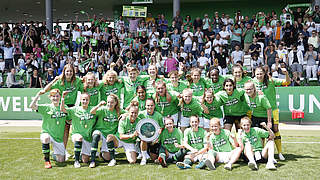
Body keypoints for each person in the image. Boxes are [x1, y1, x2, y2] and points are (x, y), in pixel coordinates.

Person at [252, 66, 290, 161]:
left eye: (261, 73)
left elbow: (287, 82)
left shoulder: (271, 81)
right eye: (257, 74)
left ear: (264, 74)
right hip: (259, 110)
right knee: (261, 132)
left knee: (275, 130)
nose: (259, 76)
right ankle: (263, 153)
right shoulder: (253, 82)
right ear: (254, 74)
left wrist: (286, 74)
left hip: (272, 109)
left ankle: (280, 152)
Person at [29, 89, 67, 169]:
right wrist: (38, 94)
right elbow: (32, 106)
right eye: (53, 96)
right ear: (50, 97)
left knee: (61, 160)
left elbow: (69, 118)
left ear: (60, 97)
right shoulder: (46, 107)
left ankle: (53, 154)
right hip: (47, 133)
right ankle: (47, 160)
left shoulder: (64, 107)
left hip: (58, 138)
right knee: (45, 138)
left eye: (57, 96)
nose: (55, 98)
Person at [61, 92, 96, 168]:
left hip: (87, 137)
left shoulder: (93, 109)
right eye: (83, 99)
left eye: (86, 100)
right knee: (79, 137)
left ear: (89, 100)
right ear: (80, 100)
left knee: (85, 160)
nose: (85, 101)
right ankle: (76, 161)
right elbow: (63, 109)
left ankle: (81, 153)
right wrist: (62, 98)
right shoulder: (75, 109)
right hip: (76, 135)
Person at [89, 94, 124, 168]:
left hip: (109, 137)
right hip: (101, 132)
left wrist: (125, 115)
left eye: (111, 102)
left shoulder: (118, 111)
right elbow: (91, 112)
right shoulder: (103, 109)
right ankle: (92, 161)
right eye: (108, 102)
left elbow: (129, 112)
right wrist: (99, 105)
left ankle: (103, 153)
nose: (109, 104)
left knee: (106, 158)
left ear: (115, 103)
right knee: (96, 134)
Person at [104, 101, 140, 166]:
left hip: (129, 142)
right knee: (110, 137)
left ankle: (135, 152)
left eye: (135, 113)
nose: (134, 114)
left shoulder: (139, 121)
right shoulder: (123, 120)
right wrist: (132, 135)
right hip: (119, 140)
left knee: (132, 161)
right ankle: (112, 159)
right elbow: (121, 136)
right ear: (128, 113)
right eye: (132, 112)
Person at [138, 98, 164, 165]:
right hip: (144, 138)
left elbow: (162, 127)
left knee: (153, 158)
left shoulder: (159, 116)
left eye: (151, 105)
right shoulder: (141, 114)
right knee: (143, 140)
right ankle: (144, 158)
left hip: (154, 139)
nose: (150, 107)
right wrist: (124, 115)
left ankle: (147, 153)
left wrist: (158, 136)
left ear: (154, 106)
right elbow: (131, 115)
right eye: (148, 105)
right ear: (145, 106)